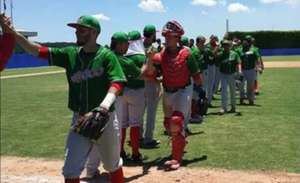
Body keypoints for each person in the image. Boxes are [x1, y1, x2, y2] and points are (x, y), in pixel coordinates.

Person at [2, 15, 126, 183]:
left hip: (106, 119)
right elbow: (35, 50)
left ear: (95, 33)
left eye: (82, 29)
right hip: (81, 119)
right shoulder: (70, 53)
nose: (77, 32)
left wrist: (103, 107)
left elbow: (117, 82)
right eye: (76, 29)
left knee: (112, 165)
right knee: (70, 170)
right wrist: (13, 33)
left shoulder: (106, 56)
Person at [144, 20, 202, 170]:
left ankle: (176, 158)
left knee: (176, 122)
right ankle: (180, 141)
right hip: (168, 91)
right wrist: (150, 58)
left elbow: (197, 76)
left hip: (183, 90)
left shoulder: (187, 54)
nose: (167, 39)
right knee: (168, 124)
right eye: (166, 36)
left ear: (177, 38)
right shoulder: (160, 55)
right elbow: (149, 74)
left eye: (170, 36)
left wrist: (200, 94)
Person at [142, 25, 161, 148]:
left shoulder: (137, 46)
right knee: (151, 112)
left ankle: (137, 137)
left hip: (139, 83)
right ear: (153, 34)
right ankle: (148, 138)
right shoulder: (153, 48)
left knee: (139, 112)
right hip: (151, 81)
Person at [216, 40, 241, 114]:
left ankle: (233, 107)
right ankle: (224, 108)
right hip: (223, 74)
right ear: (222, 46)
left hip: (232, 74)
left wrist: (239, 71)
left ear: (230, 46)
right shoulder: (220, 54)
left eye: (227, 45)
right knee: (224, 92)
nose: (226, 46)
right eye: (224, 45)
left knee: (233, 91)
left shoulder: (234, 54)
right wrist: (217, 48)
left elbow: (238, 63)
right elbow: (215, 60)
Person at [239, 35, 260, 105]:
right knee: (241, 85)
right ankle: (242, 98)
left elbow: (257, 59)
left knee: (250, 86)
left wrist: (258, 67)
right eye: (246, 40)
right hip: (242, 70)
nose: (246, 42)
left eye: (248, 41)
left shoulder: (254, 49)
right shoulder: (240, 49)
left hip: (251, 70)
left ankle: (251, 99)